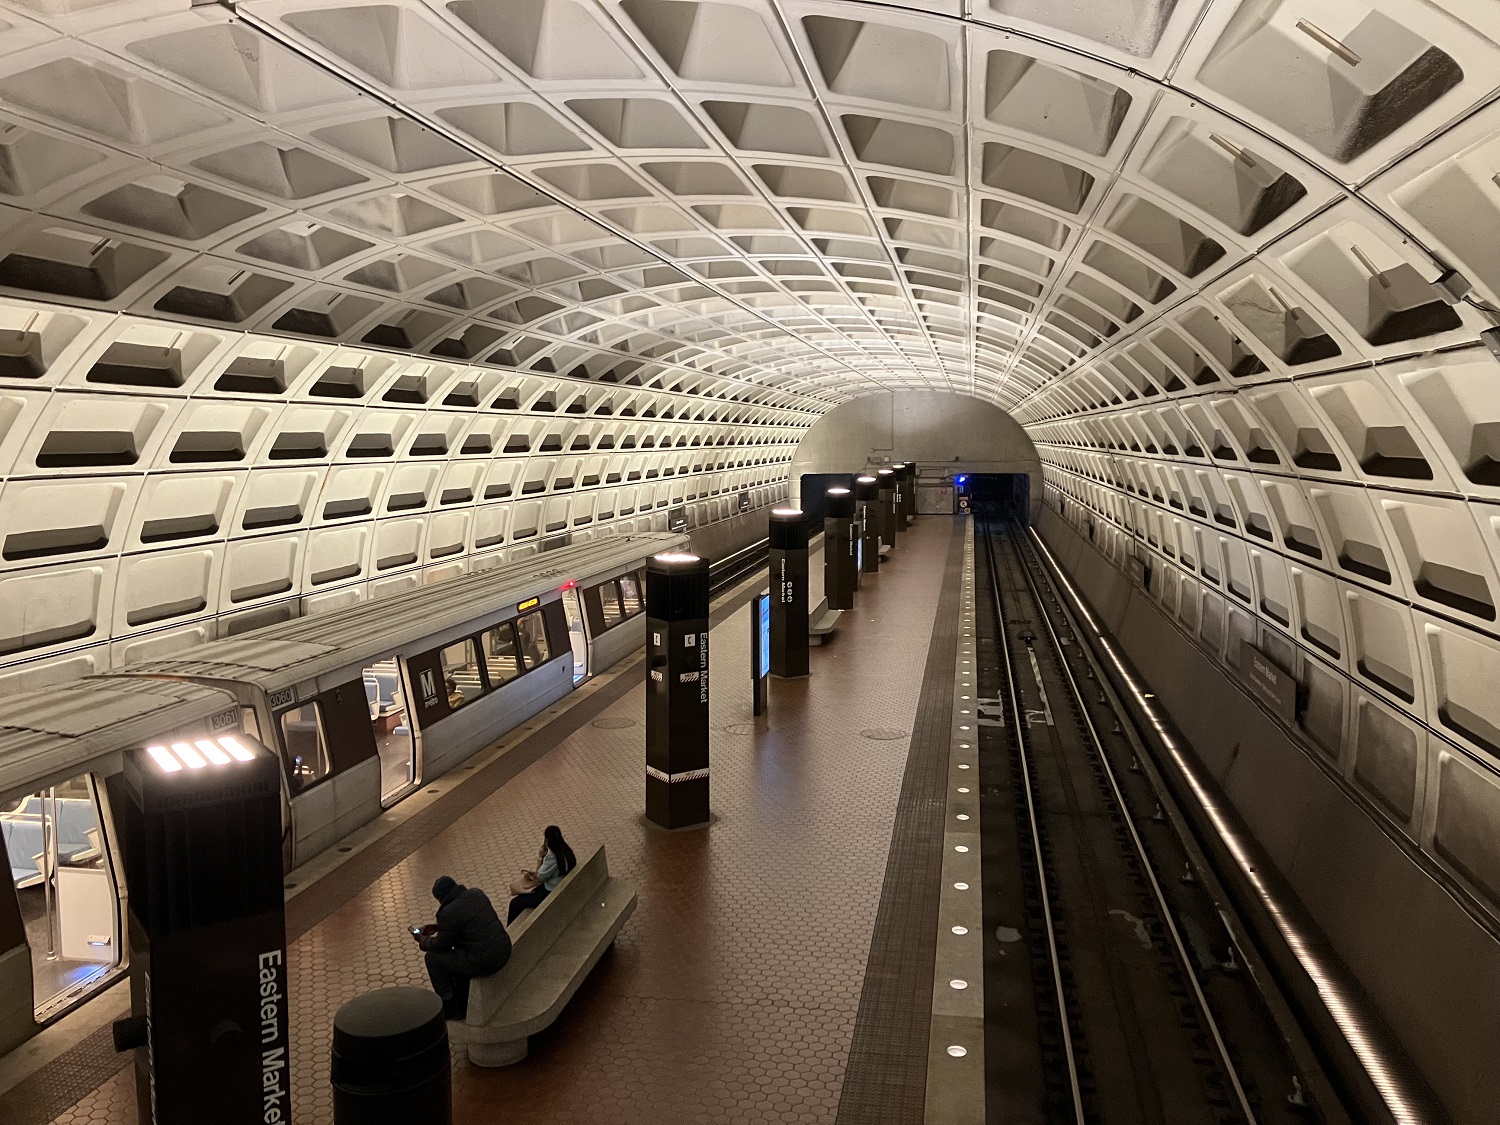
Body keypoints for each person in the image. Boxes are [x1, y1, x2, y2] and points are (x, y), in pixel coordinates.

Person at [415, 875, 511, 1020]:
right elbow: (469, 923)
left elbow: (441, 946)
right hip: (503, 949)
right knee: (455, 954)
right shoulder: (476, 894)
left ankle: (450, 1006)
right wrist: (439, 927)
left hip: (487, 961)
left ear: (440, 898)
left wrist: (423, 940)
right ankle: (460, 998)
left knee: (432, 958)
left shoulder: (448, 912)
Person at [507, 825, 577, 923]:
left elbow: (539, 878)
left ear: (547, 840)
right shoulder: (566, 850)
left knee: (515, 903)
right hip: (560, 885)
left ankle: (510, 932)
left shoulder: (552, 856)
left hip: (550, 891)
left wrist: (540, 857)